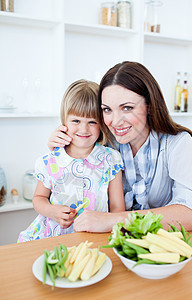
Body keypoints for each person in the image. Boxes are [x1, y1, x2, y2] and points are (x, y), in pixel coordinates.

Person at [48, 61, 192, 233]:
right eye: (107, 110)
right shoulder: (103, 143)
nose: (115, 121)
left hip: (160, 245)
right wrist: (61, 148)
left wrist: (116, 220)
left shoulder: (177, 143)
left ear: (150, 106)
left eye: (127, 108)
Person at [18, 80, 125, 242]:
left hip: (95, 237)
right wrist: (52, 211)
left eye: (92, 122)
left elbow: (118, 207)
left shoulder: (111, 159)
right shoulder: (50, 161)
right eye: (76, 121)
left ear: (102, 123)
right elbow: (38, 198)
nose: (83, 129)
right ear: (64, 120)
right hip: (52, 237)